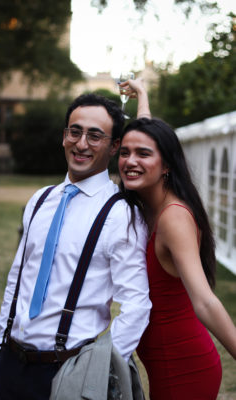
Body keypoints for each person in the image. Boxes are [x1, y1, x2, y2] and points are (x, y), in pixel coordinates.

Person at [0, 93, 152, 400]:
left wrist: (96, 369)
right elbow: (18, 276)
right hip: (11, 365)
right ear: (64, 135)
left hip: (69, 373)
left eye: (95, 136)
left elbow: (137, 305)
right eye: (74, 131)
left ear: (114, 145)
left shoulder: (120, 214)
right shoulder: (40, 199)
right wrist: (0, 345)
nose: (81, 144)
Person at [118, 79, 236, 399]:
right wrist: (142, 96)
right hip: (166, 363)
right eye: (124, 152)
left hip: (183, 368)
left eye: (143, 154)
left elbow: (205, 300)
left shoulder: (173, 218)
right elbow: (149, 139)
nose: (131, 161)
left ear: (166, 165)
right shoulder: (151, 197)